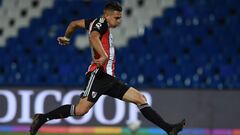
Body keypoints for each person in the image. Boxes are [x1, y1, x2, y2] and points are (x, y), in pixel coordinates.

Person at [29, 1, 185, 135]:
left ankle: (169, 129)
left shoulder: (93, 22)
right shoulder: (101, 23)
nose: (119, 21)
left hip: (109, 78)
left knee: (140, 99)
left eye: (120, 18)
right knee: (81, 110)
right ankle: (42, 118)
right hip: (98, 75)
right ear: (107, 15)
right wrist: (103, 56)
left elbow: (74, 24)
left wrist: (67, 37)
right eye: (116, 18)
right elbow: (93, 36)